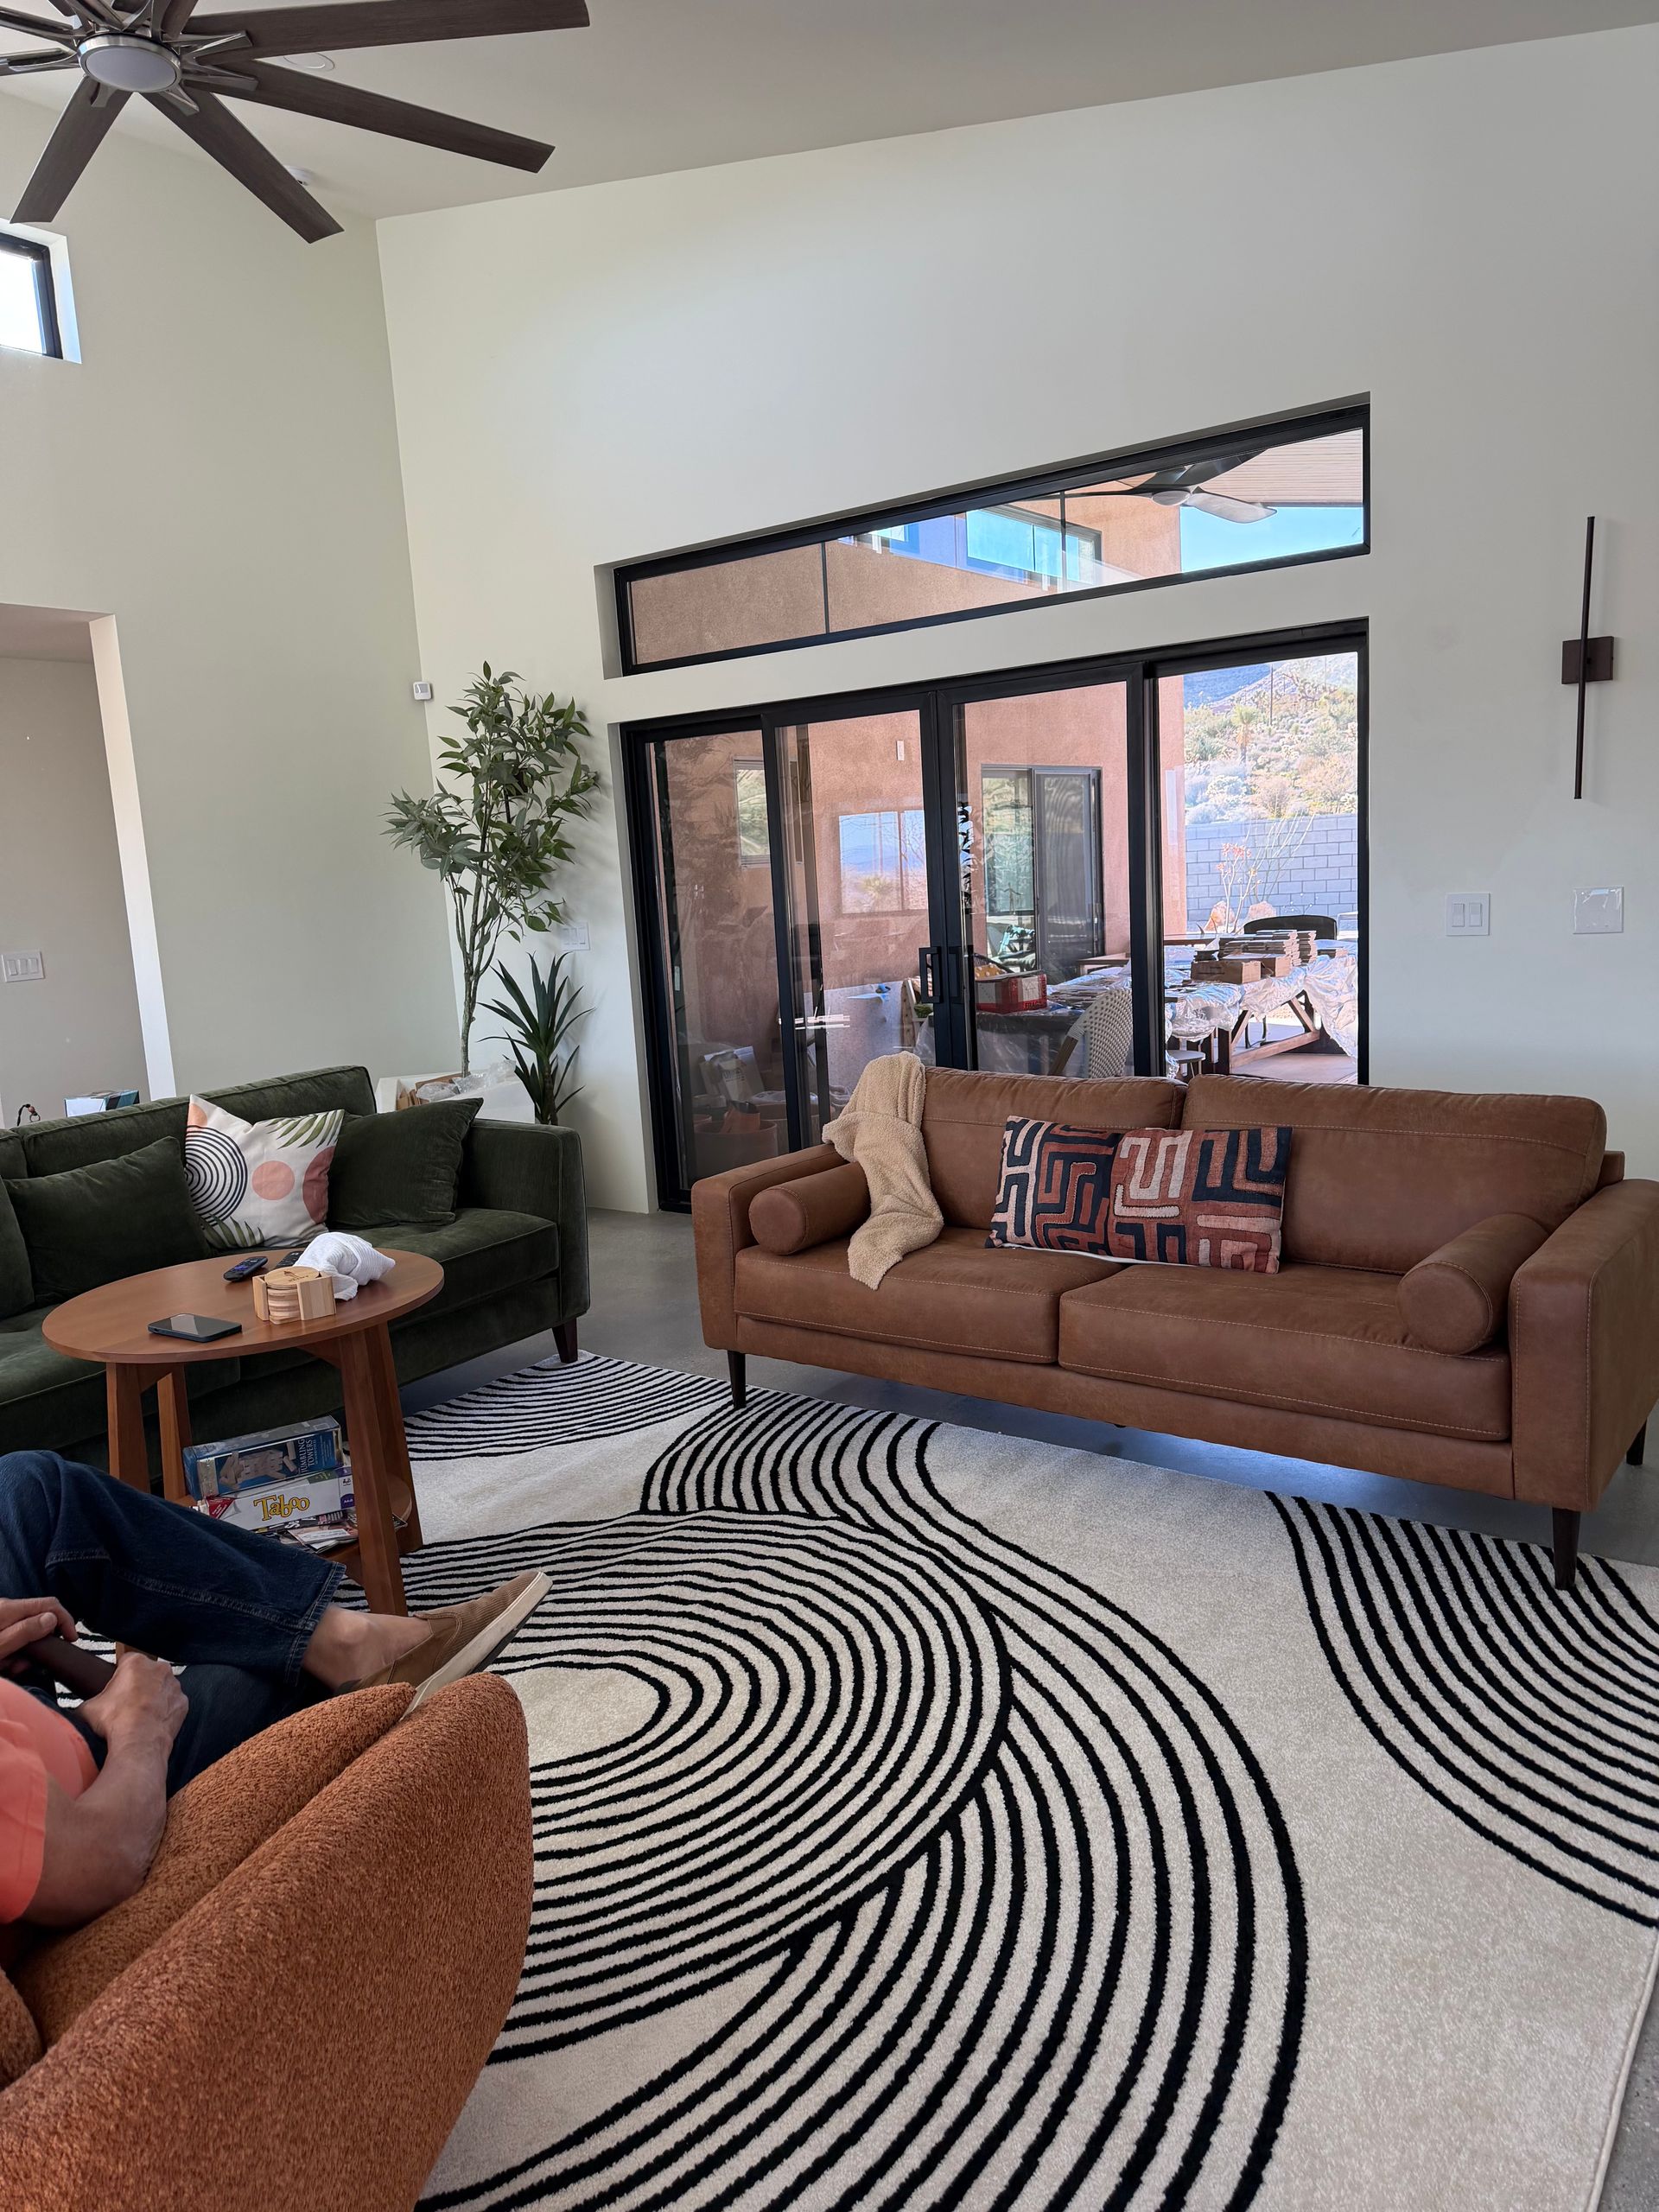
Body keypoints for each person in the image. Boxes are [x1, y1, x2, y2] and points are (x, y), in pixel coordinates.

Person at [0, 1449, 547, 1931]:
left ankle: (347, 1639)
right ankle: (352, 1648)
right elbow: (96, 1863)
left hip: (22, 1735)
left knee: (25, 1489)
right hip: (95, 1788)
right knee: (271, 1660)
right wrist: (140, 1729)